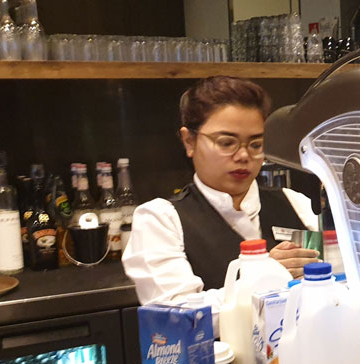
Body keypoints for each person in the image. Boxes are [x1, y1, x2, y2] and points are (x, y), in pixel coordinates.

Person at [123, 76, 320, 314]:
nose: (243, 156)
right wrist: (268, 276)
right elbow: (179, 314)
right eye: (227, 143)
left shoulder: (294, 201)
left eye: (256, 145)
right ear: (189, 141)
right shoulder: (159, 219)